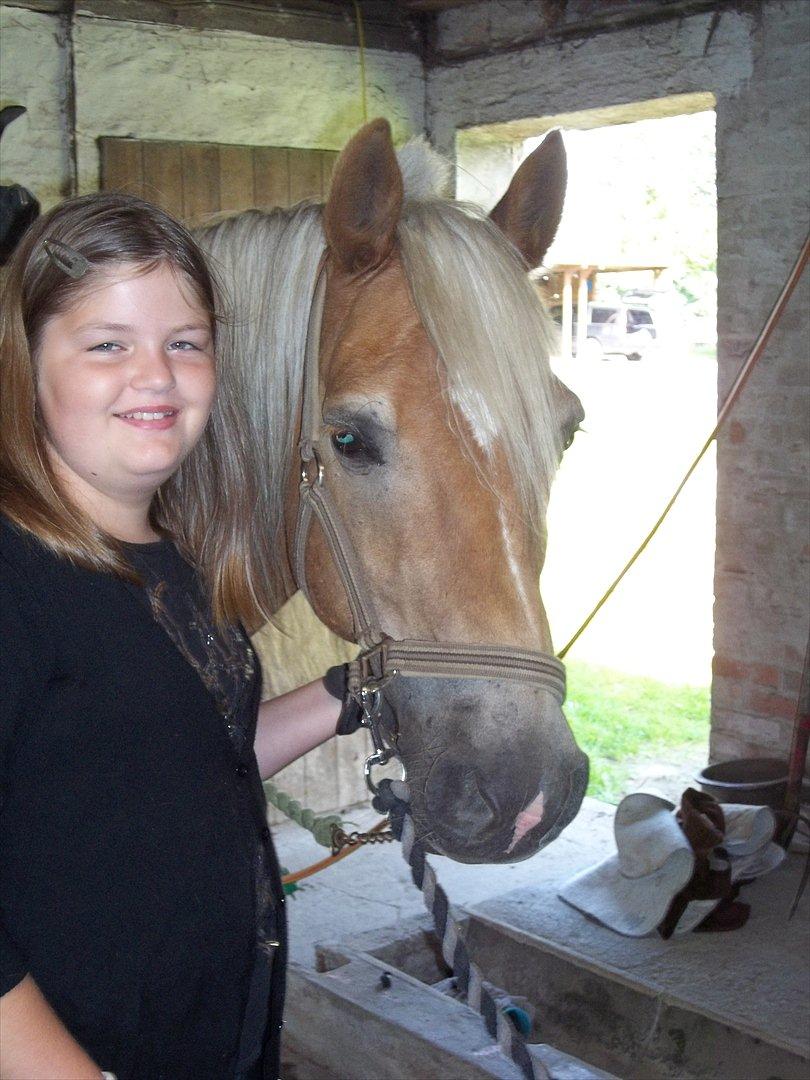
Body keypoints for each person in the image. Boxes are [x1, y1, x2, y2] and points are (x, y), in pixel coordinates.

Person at [0, 193, 360, 1080]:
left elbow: (191, 764)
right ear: (27, 363)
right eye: (107, 345)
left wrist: (353, 694)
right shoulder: (14, 573)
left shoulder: (176, 558)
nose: (156, 377)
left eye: (185, 343)